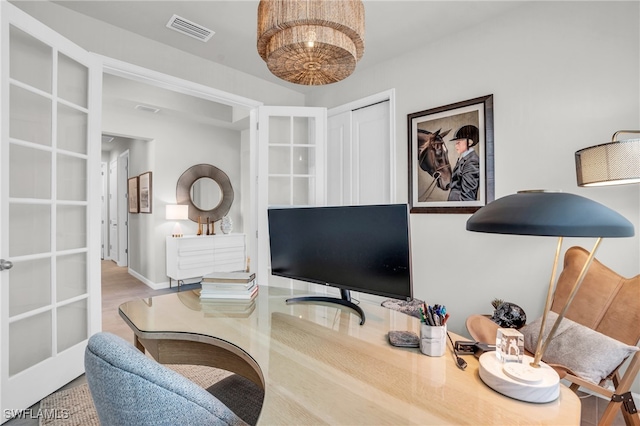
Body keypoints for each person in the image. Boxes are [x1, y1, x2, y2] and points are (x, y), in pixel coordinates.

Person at [448, 125, 480, 201]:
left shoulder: (472, 162)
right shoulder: (464, 158)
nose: (456, 146)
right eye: (456, 143)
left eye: (458, 142)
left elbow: (468, 195)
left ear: (469, 142)